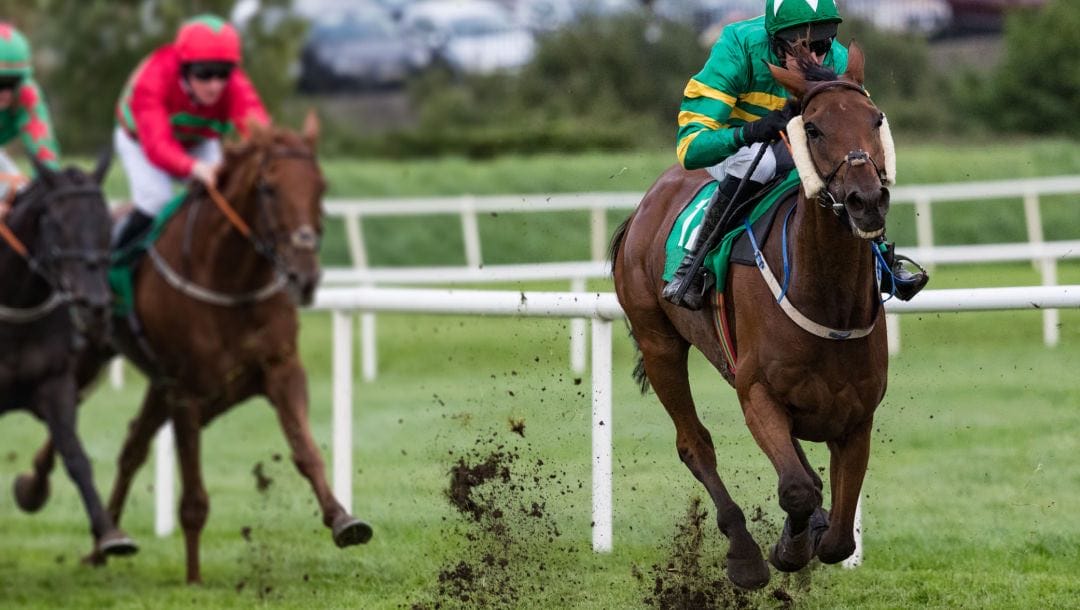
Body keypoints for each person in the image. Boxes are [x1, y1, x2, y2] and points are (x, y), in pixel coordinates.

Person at [663, 0, 927, 309]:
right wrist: (750, 132)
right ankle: (693, 266)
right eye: (800, 45)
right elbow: (691, 148)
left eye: (822, 42)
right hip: (733, 145)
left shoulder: (839, 59)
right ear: (775, 41)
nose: (814, 57)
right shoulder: (738, 46)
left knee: (849, 167)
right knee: (758, 166)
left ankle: (883, 257)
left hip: (793, 143)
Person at [112, 14, 269, 249]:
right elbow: (158, 146)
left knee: (223, 198)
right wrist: (195, 167)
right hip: (141, 143)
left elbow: (259, 129)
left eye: (223, 72)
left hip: (197, 141)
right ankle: (114, 260)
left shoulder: (235, 84)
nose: (215, 85)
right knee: (157, 200)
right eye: (204, 73)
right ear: (183, 68)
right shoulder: (154, 77)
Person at [0, 21, 61, 218]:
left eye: (13, 82)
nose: (6, 93)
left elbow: (45, 155)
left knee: (22, 192)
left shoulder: (27, 94)